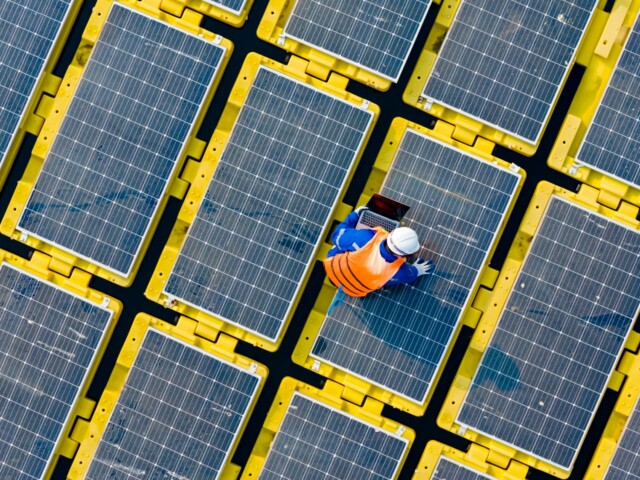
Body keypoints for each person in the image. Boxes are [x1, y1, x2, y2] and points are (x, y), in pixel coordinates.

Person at [323, 206, 435, 298]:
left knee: (347, 241)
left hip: (333, 270)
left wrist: (355, 215)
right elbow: (409, 276)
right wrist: (416, 271)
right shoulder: (398, 271)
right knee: (382, 280)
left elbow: (337, 236)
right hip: (354, 291)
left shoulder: (364, 237)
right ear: (403, 255)